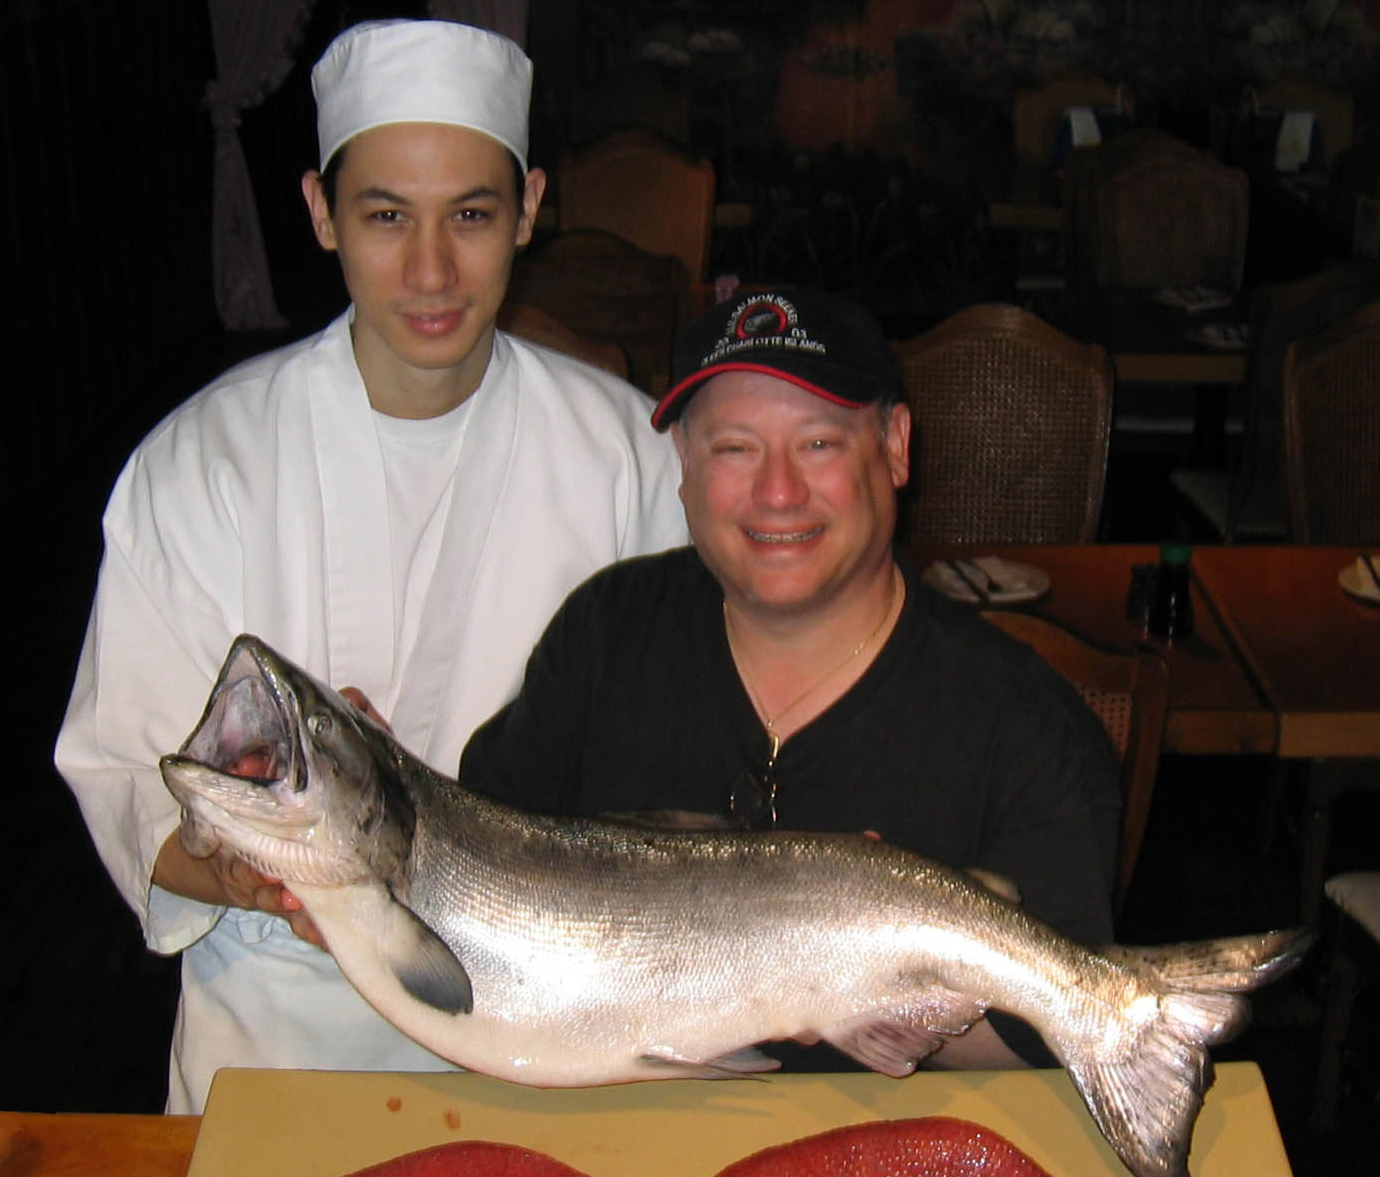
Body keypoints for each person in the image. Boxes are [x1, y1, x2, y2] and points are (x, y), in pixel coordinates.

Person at [54, 19, 686, 1113]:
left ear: (531, 208)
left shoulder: (632, 454)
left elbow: (682, 750)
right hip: (276, 1042)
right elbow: (122, 770)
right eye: (386, 215)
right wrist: (242, 869)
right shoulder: (202, 464)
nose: (430, 270)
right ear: (319, 213)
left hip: (559, 1035)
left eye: (472, 217)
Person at [460, 286, 1122, 1068]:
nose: (777, 492)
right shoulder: (606, 634)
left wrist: (893, 987)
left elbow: (1059, 1047)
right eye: (735, 448)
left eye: (819, 444)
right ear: (683, 468)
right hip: (614, 1142)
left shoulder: (1021, 721)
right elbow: (476, 885)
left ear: (897, 446)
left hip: (892, 1171)